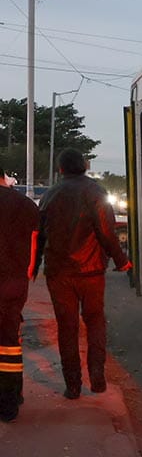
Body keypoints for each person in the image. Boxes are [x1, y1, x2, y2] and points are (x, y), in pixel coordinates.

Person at [34, 148, 131, 400]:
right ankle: (97, 380)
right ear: (85, 166)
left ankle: (73, 386)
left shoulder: (50, 195)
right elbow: (107, 232)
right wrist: (122, 261)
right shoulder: (96, 192)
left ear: (60, 169)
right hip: (91, 272)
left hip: (58, 273)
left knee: (67, 328)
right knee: (95, 322)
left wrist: (34, 267)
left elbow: (39, 235)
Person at [0, 162, 39, 421]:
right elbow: (35, 245)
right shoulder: (26, 205)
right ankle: (10, 401)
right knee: (9, 343)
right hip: (13, 284)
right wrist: (28, 273)